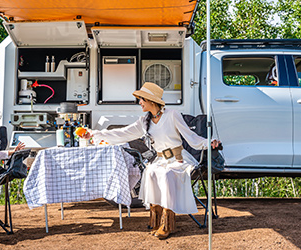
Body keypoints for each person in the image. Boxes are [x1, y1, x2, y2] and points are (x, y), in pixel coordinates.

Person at [79, 82, 220, 239]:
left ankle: (167, 224)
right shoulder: (144, 121)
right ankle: (156, 219)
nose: (139, 103)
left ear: (151, 101)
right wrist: (94, 134)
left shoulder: (172, 115)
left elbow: (190, 136)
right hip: (159, 160)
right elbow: (122, 133)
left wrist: (209, 142)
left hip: (178, 159)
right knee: (150, 172)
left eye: (142, 100)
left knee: (166, 175)